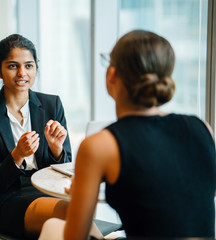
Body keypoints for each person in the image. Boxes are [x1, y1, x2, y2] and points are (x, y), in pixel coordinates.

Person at [39, 30, 216, 239]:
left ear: (111, 75)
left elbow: (75, 237)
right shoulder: (203, 128)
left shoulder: (99, 146)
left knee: (52, 226)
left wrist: (80, 195)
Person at [0, 33, 73, 239]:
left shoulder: (52, 105)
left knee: (74, 213)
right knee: (70, 214)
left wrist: (56, 150)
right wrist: (17, 155)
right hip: (8, 199)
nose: (21, 73)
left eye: (28, 65)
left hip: (47, 190)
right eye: (12, 66)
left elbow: (66, 166)